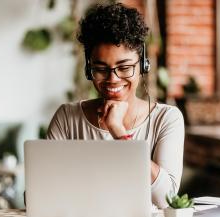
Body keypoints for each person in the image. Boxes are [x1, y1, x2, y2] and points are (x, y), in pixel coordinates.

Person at [46, 2, 184, 209]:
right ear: (88, 69)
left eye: (125, 67)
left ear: (143, 65)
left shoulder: (166, 118)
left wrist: (119, 132)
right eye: (101, 69)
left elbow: (168, 199)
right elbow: (41, 193)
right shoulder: (67, 117)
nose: (113, 79)